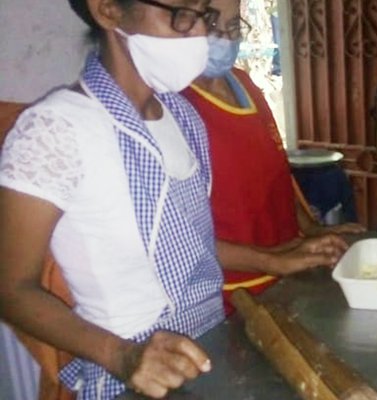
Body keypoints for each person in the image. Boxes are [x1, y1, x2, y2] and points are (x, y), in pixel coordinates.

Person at [0, 0, 227, 398]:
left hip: (212, 348)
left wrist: (276, 257)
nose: (198, 35)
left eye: (202, 15)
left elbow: (188, 243)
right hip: (129, 376)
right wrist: (124, 356)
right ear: (108, 11)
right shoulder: (55, 130)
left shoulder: (184, 117)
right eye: (181, 15)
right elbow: (9, 288)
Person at [181, 0, 364, 315]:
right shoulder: (174, 105)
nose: (225, 38)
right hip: (230, 294)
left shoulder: (247, 86)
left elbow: (275, 176)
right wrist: (272, 259)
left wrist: (309, 230)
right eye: (211, 24)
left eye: (234, 26)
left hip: (284, 276)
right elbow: (180, 239)